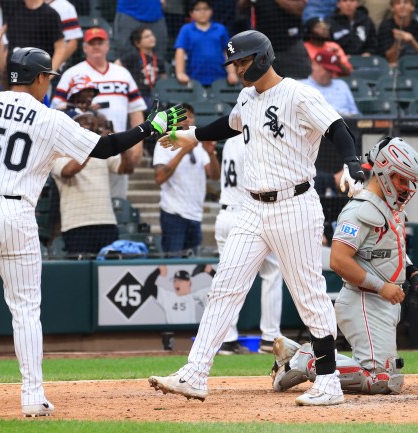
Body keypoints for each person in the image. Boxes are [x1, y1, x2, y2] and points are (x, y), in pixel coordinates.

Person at [0, 47, 185, 417]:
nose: (49, 83)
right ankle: (32, 397)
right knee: (26, 310)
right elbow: (106, 147)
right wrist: (151, 127)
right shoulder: (49, 118)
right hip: (15, 212)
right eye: (48, 77)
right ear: (40, 77)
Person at [148, 30, 365, 406]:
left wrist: (351, 165)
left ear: (262, 57)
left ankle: (329, 383)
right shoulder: (247, 96)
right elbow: (230, 123)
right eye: (234, 63)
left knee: (309, 296)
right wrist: (193, 135)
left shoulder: (298, 94)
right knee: (224, 288)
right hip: (252, 208)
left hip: (293, 205)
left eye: (243, 61)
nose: (238, 69)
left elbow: (337, 128)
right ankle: (195, 373)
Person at [272, 137, 418, 395]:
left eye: (407, 181)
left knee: (389, 373)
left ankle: (305, 354)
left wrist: (413, 275)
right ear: (382, 172)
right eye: (401, 179)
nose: (406, 187)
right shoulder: (359, 210)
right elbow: (339, 260)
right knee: (379, 379)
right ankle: (306, 359)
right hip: (363, 300)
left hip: (382, 302)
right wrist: (382, 287)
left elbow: (393, 252)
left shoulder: (390, 209)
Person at [53, 27, 147, 199]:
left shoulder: (122, 73)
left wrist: (138, 145)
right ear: (85, 48)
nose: (96, 46)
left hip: (118, 147)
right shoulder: (72, 74)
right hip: (81, 151)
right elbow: (57, 109)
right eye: (92, 43)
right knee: (89, 204)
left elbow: (135, 110)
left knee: (118, 202)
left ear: (107, 46)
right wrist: (81, 109)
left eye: (100, 42)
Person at [215, 133, 284, 355]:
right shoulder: (252, 141)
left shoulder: (228, 141)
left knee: (228, 280)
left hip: (224, 216)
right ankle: (270, 337)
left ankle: (226, 339)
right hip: (247, 216)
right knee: (272, 272)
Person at [52, 89, 137, 256]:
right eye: (81, 123)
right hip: (76, 225)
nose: (86, 126)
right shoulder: (58, 152)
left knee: (109, 275)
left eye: (89, 123)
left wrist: (118, 142)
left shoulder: (102, 153)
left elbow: (127, 168)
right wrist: (94, 146)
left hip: (106, 222)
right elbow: (69, 171)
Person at [153, 103, 221, 257]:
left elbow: (214, 175)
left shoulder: (198, 143)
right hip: (173, 214)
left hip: (195, 214)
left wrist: (211, 154)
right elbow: (159, 178)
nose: (187, 120)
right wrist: (183, 151)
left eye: (190, 116)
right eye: (182, 116)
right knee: (174, 265)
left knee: (192, 264)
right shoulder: (165, 142)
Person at [239, 0, 312, 79]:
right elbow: (242, 8)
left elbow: (300, 9)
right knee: (265, 89)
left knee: (298, 86)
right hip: (263, 50)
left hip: (290, 46)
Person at [174, 0, 238, 87]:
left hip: (220, 79)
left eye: (206, 8)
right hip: (193, 79)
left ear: (211, 11)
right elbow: (180, 51)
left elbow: (228, 52)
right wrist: (180, 73)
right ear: (191, 13)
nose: (202, 12)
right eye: (198, 9)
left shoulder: (220, 29)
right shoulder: (186, 29)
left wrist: (231, 73)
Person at [1, 0, 66, 72]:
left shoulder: (51, 14)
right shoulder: (12, 10)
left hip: (39, 75)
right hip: (15, 75)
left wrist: (49, 74)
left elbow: (60, 48)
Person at [116, 26, 167, 108]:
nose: (151, 38)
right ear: (137, 43)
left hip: (154, 96)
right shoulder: (133, 56)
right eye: (147, 37)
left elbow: (164, 79)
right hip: (138, 95)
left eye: (152, 35)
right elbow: (116, 65)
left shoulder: (159, 60)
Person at [299, 49, 361, 116]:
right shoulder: (300, 87)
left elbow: (355, 113)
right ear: (314, 65)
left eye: (332, 71)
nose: (330, 74)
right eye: (327, 69)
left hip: (345, 123)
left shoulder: (341, 85)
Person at [145, 267, 213, 324]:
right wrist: (158, 270)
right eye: (175, 281)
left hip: (192, 332)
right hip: (173, 333)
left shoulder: (197, 296)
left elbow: (221, 286)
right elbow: (148, 285)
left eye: (180, 281)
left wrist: (211, 271)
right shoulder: (168, 297)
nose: (176, 284)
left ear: (189, 283)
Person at [377, 0, 418, 67]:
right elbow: (390, 59)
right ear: (392, 8)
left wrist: (412, 42)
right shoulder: (386, 26)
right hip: (395, 69)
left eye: (406, 2)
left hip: (417, 66)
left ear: (412, 7)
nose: (402, 6)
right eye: (398, 3)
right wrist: (397, 42)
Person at [44, 0, 83, 65]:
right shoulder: (22, 5)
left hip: (52, 67)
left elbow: (72, 43)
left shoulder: (64, 6)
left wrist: (52, 67)